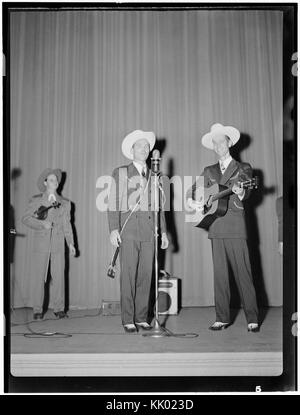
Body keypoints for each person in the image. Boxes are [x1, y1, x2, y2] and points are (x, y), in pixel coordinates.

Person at [187, 123, 259, 332]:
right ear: (213, 147)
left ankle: (252, 318)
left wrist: (240, 191)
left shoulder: (243, 168)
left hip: (236, 226)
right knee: (220, 276)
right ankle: (222, 317)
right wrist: (196, 202)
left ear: (229, 142)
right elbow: (194, 190)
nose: (218, 145)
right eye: (215, 142)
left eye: (221, 141)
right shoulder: (208, 170)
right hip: (216, 226)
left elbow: (246, 191)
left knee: (243, 273)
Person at [108, 130, 169, 333]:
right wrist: (113, 229)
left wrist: (164, 232)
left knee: (146, 275)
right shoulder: (121, 172)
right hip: (130, 229)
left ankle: (142, 317)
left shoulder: (155, 175)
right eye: (139, 146)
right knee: (128, 275)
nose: (144, 149)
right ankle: (128, 318)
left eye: (146, 146)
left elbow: (159, 206)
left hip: (150, 231)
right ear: (131, 150)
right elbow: (114, 202)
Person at [22, 168, 76, 320]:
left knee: (59, 278)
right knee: (39, 278)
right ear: (45, 183)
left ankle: (59, 309)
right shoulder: (36, 200)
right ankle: (37, 310)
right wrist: (42, 224)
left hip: (58, 245)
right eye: (51, 179)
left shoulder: (65, 203)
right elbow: (26, 218)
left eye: (56, 180)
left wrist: (71, 243)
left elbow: (67, 225)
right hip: (41, 245)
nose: (55, 182)